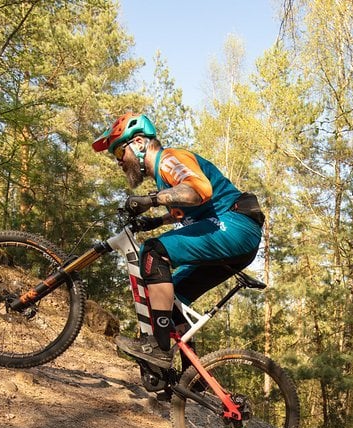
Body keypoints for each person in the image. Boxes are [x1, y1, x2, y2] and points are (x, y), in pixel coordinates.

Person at [91, 112, 266, 370]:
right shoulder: (165, 176)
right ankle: (192, 377)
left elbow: (198, 191)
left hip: (236, 226)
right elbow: (188, 211)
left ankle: (158, 348)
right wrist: (157, 221)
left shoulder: (169, 159)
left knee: (152, 251)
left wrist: (151, 200)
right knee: (173, 299)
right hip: (234, 236)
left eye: (119, 153)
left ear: (139, 142)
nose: (119, 163)